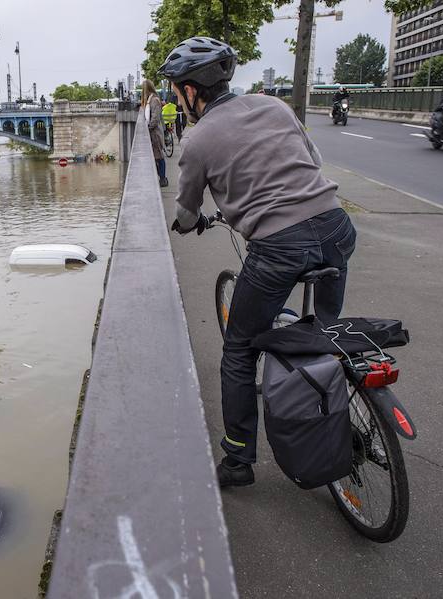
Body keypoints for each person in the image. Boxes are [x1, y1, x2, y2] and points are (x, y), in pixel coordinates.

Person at [160, 36, 356, 488]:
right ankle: (336, 408)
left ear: (192, 91)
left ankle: (237, 459)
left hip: (279, 249)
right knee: (326, 333)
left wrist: (189, 223)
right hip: (335, 227)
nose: (175, 96)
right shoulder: (275, 108)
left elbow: (186, 214)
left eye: (176, 89)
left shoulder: (197, 139)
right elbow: (314, 162)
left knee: (239, 349)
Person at [142, 80, 168, 187]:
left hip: (155, 133)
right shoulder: (151, 100)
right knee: (156, 156)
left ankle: (163, 178)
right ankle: (161, 177)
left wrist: (148, 127)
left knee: (159, 156)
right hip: (153, 132)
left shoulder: (154, 101)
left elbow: (155, 119)